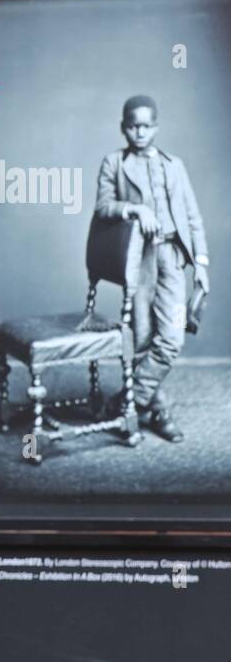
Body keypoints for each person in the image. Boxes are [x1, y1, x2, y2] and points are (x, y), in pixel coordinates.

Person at [94, 94, 209, 443]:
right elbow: (102, 207)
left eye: (146, 126)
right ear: (123, 127)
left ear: (156, 127)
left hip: (172, 260)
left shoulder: (174, 165)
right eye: (133, 126)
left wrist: (201, 264)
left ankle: (128, 403)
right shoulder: (114, 163)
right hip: (138, 262)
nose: (139, 132)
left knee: (171, 337)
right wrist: (134, 209)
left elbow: (192, 217)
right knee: (141, 337)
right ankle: (158, 409)